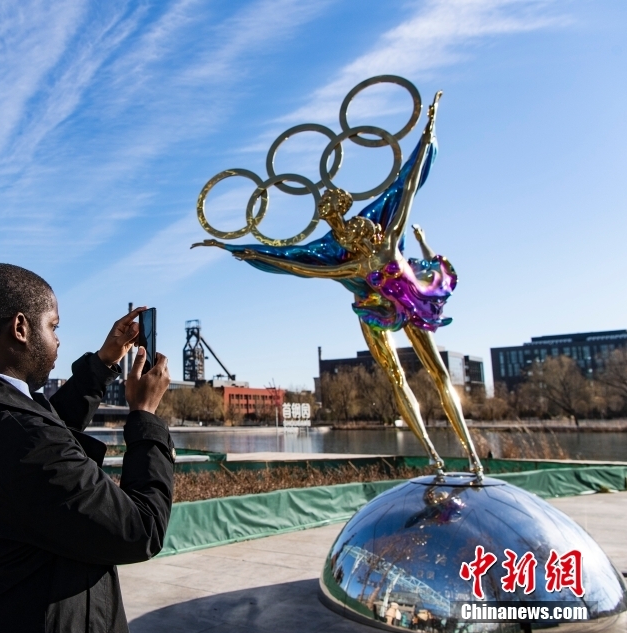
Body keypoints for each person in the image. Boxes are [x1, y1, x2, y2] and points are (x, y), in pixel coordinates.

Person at [193, 92, 483, 476]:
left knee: (435, 373)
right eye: (331, 213)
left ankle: (469, 456)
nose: (347, 223)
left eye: (338, 212)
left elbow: (407, 185)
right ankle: (435, 455)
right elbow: (294, 263)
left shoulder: (381, 233)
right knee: (400, 377)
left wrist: (428, 132)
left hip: (405, 301)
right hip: (373, 311)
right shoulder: (343, 251)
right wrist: (241, 249)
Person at [0, 264, 174, 633]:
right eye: (53, 326)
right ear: (21, 328)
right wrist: (145, 417)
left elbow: (46, 430)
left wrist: (104, 363)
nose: (57, 340)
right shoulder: (24, 437)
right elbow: (141, 530)